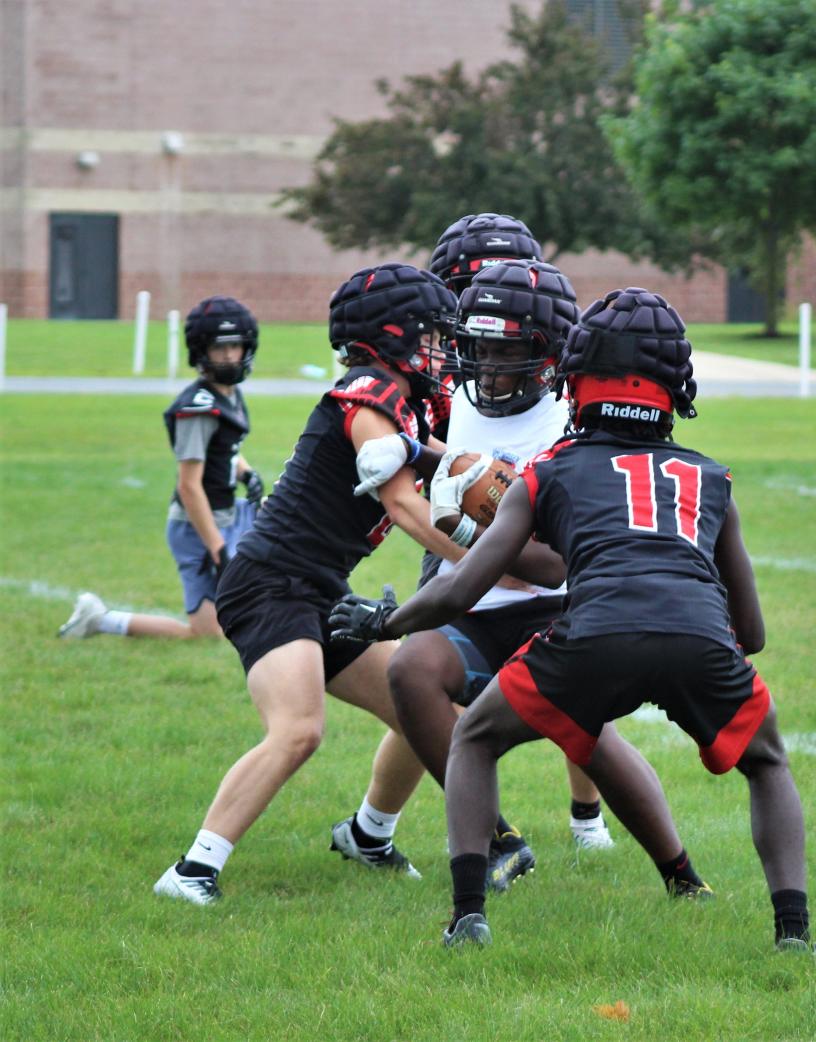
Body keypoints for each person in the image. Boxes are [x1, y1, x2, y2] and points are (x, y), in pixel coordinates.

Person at [331, 285, 816, 954]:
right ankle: (793, 932)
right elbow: (753, 634)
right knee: (765, 760)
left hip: (593, 636)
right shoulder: (711, 479)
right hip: (700, 639)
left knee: (474, 738)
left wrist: (385, 624)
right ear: (676, 386)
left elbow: (460, 589)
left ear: (575, 378)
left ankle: (468, 915)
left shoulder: (550, 469)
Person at [152, 263, 559, 904]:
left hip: (318, 584)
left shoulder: (409, 401)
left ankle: (385, 839)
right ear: (391, 334)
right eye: (429, 334)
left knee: (421, 703)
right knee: (298, 728)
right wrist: (484, 560)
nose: (440, 348)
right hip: (270, 584)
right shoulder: (371, 391)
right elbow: (403, 505)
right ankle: (192, 871)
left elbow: (432, 465)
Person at [343, 259, 711, 901]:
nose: (485, 366)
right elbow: (451, 467)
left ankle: (680, 873)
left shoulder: (573, 426)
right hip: (474, 606)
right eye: (477, 348)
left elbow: (564, 558)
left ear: (547, 358)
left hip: (555, 609)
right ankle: (496, 844)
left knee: (587, 733)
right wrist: (415, 452)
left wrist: (472, 533)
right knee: (412, 672)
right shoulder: (452, 402)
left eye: (505, 351)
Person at [339, 217, 618, 894]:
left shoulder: (564, 405)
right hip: (460, 549)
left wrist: (482, 539)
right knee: (424, 683)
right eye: (469, 301)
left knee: (575, 688)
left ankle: (591, 815)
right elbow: (409, 480)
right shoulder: (432, 380)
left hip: (531, 563)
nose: (483, 335)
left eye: (506, 322)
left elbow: (563, 552)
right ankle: (379, 827)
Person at [58, 296, 264, 641]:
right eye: (219, 348)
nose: (229, 355)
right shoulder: (197, 410)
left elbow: (227, 449)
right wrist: (217, 549)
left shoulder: (228, 393)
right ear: (202, 351)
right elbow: (189, 485)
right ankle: (99, 620)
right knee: (206, 633)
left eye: (235, 346)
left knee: (275, 569)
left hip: (229, 513)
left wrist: (245, 472)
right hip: (198, 527)